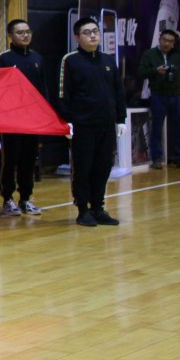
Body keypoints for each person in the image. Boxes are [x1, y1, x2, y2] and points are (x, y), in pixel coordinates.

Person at [56, 18, 127, 226]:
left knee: (103, 167)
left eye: (95, 31)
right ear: (77, 37)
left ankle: (98, 208)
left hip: (106, 124)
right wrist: (66, 120)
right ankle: (83, 210)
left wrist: (120, 119)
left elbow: (118, 91)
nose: (93, 35)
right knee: (83, 168)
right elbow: (62, 93)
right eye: (87, 32)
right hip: (82, 125)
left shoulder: (108, 60)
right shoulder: (70, 60)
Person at [0, 18, 49, 215]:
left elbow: (43, 89)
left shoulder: (37, 58)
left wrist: (45, 114)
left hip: (32, 119)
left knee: (29, 159)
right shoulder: (3, 59)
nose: (25, 35)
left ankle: (25, 198)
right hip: (11, 119)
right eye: (20, 32)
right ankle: (7, 198)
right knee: (10, 159)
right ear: (10, 36)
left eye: (28, 32)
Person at [138, 27, 180, 170]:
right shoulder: (149, 54)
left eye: (170, 41)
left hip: (176, 95)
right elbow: (141, 72)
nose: (166, 43)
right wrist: (155, 71)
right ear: (159, 40)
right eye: (164, 40)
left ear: (174, 43)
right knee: (156, 128)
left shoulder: (177, 54)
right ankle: (156, 159)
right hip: (158, 95)